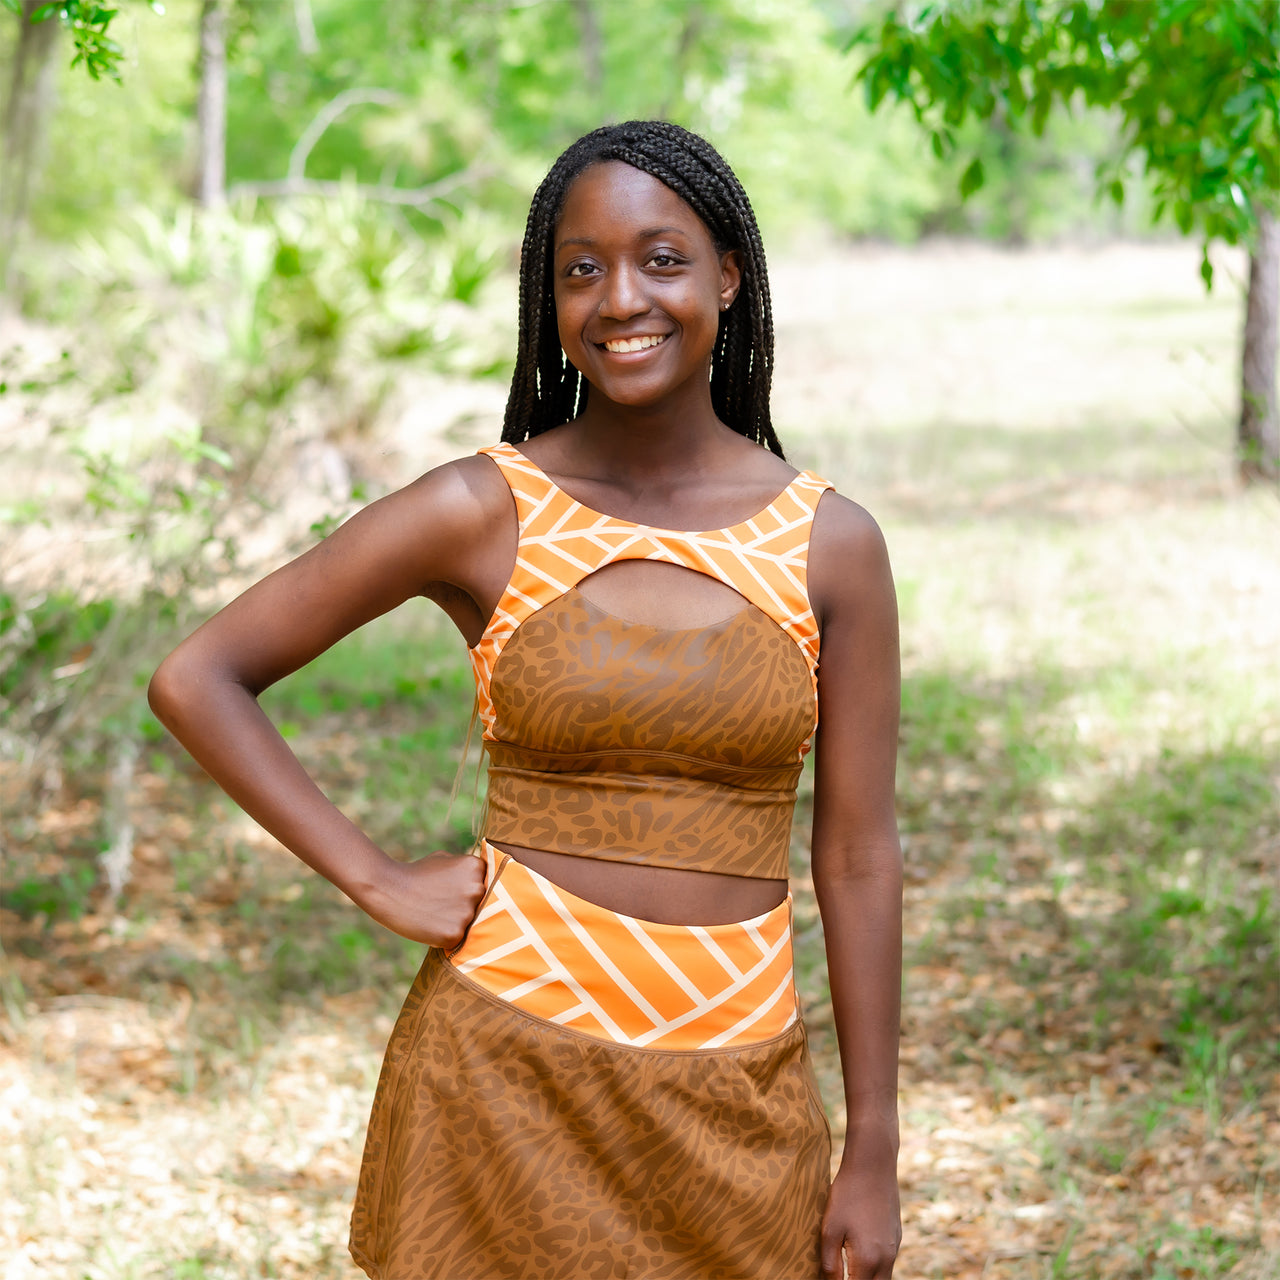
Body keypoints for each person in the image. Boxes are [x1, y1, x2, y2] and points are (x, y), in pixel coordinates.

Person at [149, 120, 902, 1280]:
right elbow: (198, 676)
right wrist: (374, 875)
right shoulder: (484, 509)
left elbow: (853, 856)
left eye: (660, 258)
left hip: (735, 1088)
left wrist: (873, 1146)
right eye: (579, 267)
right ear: (546, 299)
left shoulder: (829, 545)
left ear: (727, 278)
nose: (619, 298)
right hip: (502, 1068)